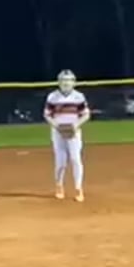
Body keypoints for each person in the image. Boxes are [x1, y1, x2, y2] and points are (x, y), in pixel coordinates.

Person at [44, 69, 89, 202]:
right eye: (63, 80)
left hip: (74, 132)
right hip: (58, 132)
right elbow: (47, 114)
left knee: (75, 159)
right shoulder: (53, 97)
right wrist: (56, 126)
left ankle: (78, 188)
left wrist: (76, 125)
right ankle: (59, 185)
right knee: (60, 162)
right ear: (59, 82)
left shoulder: (79, 97)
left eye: (69, 80)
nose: (66, 83)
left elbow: (86, 114)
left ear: (73, 82)